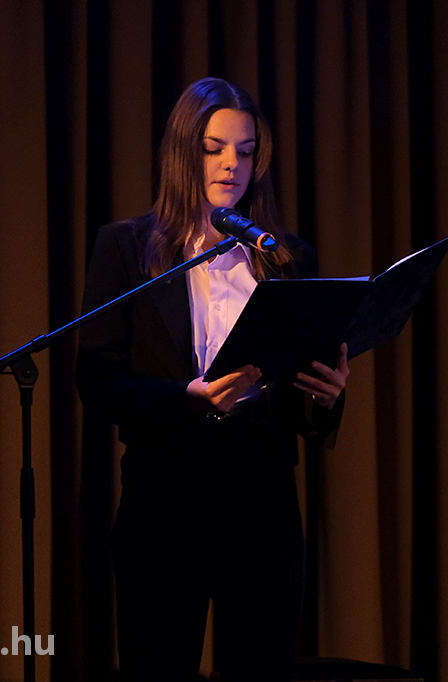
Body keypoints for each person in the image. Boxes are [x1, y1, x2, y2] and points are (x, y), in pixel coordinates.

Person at [76, 77, 348, 682]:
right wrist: (186, 398)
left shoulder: (287, 259)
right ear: (184, 152)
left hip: (263, 507)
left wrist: (327, 396)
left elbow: (301, 407)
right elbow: (96, 379)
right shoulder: (126, 249)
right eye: (214, 148)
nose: (232, 164)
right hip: (165, 503)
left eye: (245, 151)